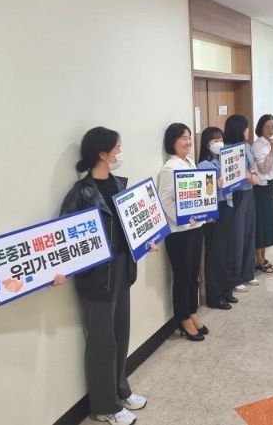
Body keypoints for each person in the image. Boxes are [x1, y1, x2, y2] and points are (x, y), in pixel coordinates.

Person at [59, 127, 147, 425]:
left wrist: (147, 239)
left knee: (121, 333)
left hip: (122, 269)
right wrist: (58, 271)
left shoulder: (119, 185)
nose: (120, 152)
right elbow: (64, 238)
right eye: (117, 148)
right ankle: (105, 406)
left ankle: (121, 390)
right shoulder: (81, 193)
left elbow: (131, 225)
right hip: (96, 278)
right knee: (101, 342)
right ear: (102, 153)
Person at [157, 123, 207, 341]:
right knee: (182, 277)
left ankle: (193, 311)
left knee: (194, 274)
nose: (188, 142)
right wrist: (186, 222)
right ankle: (183, 317)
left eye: (189, 137)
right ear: (172, 142)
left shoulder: (189, 162)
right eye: (183, 138)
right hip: (179, 233)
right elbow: (166, 201)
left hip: (196, 228)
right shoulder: (170, 168)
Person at [197, 127, 239, 310]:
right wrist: (215, 185)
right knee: (216, 253)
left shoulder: (223, 160)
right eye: (215, 140)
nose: (219, 143)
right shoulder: (203, 165)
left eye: (221, 139)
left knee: (228, 250)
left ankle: (226, 290)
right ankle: (214, 296)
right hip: (214, 211)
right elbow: (203, 191)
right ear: (207, 144)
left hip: (227, 206)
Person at [224, 114, 259, 292]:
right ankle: (235, 277)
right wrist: (249, 175)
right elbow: (235, 174)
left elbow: (254, 168)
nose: (248, 131)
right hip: (235, 196)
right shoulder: (227, 150)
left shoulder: (247, 147)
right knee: (237, 237)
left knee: (249, 233)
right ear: (238, 130)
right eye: (246, 128)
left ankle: (247, 272)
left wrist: (251, 175)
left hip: (249, 193)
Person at [252, 114, 273, 274]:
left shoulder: (270, 143)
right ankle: (259, 260)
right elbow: (264, 168)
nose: (271, 129)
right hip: (260, 188)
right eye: (267, 127)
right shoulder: (258, 145)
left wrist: (272, 149)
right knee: (261, 224)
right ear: (261, 128)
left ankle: (263, 257)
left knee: (268, 221)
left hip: (269, 185)